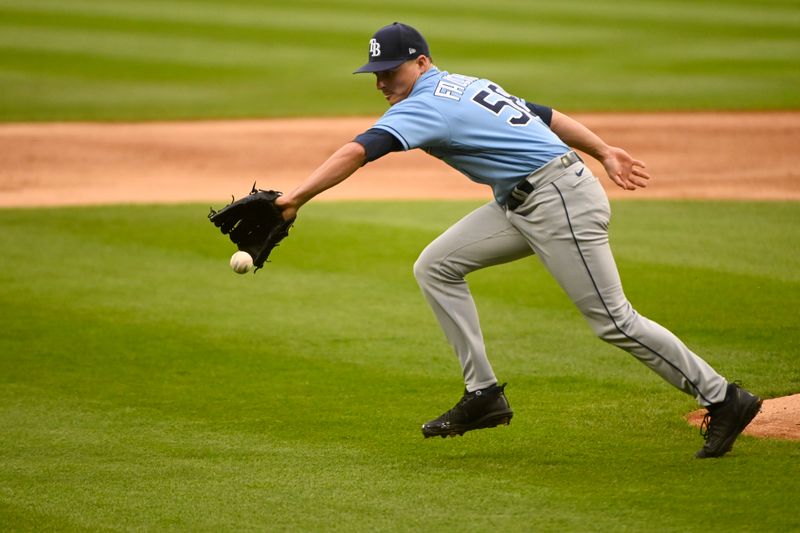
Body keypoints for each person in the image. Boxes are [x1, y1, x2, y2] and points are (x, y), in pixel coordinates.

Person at [275, 22, 762, 458]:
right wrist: (602, 150)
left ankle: (722, 398)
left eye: (391, 71)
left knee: (614, 321)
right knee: (436, 266)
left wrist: (293, 199)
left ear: (421, 63)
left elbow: (358, 150)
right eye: (375, 73)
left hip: (558, 201)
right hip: (525, 200)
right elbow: (544, 114)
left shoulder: (423, 104)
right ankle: (483, 393)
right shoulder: (465, 84)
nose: (382, 83)